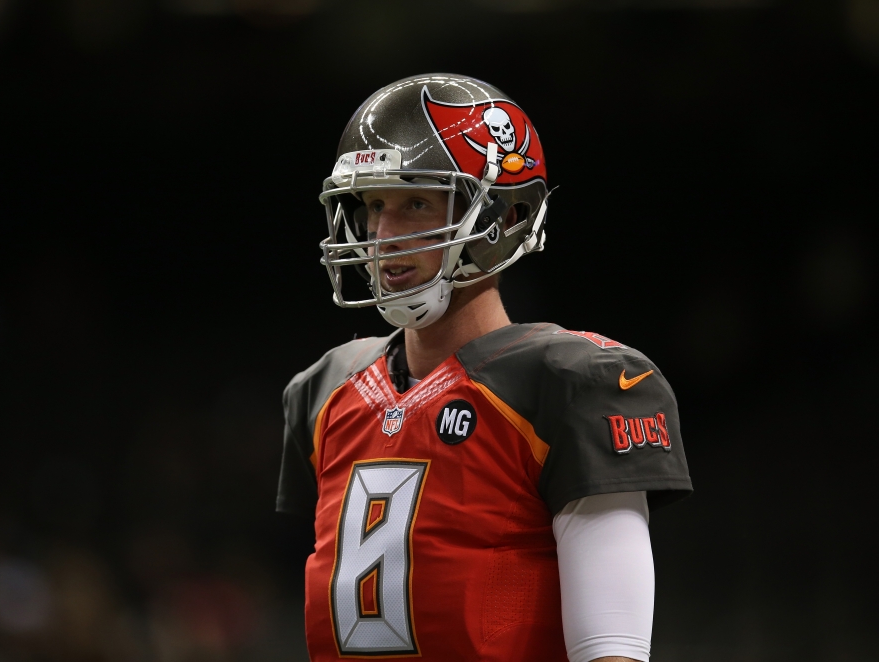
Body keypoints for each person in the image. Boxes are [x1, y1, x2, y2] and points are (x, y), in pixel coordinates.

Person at [276, 74, 692, 662]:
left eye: (416, 202)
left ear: (503, 213)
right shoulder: (323, 391)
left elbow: (612, 650)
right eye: (375, 205)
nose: (384, 235)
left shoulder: (572, 383)